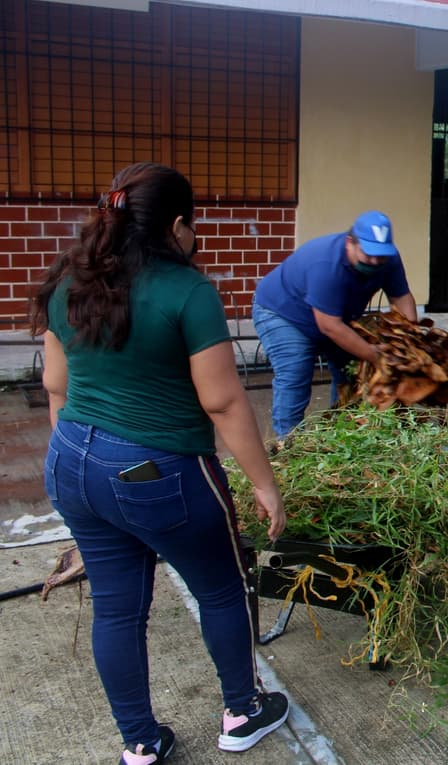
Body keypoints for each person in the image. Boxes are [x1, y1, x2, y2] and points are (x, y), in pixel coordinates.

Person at [31, 163, 290, 764]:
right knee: (223, 589)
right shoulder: (188, 290)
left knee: (118, 607)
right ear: (177, 226)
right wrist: (266, 486)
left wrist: (81, 468)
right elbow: (223, 403)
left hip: (71, 460)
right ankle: (243, 712)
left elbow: (55, 385)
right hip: (159, 473)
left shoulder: (69, 279)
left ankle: (140, 744)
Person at [252, 211, 418, 437]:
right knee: (296, 372)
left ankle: (340, 432)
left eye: (381, 256)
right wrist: (376, 356)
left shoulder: (388, 259)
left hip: (336, 317)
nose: (375, 261)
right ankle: (288, 443)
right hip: (283, 313)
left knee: (350, 373)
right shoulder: (325, 263)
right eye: (369, 255)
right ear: (350, 243)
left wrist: (410, 339)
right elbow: (330, 326)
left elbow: (401, 297)